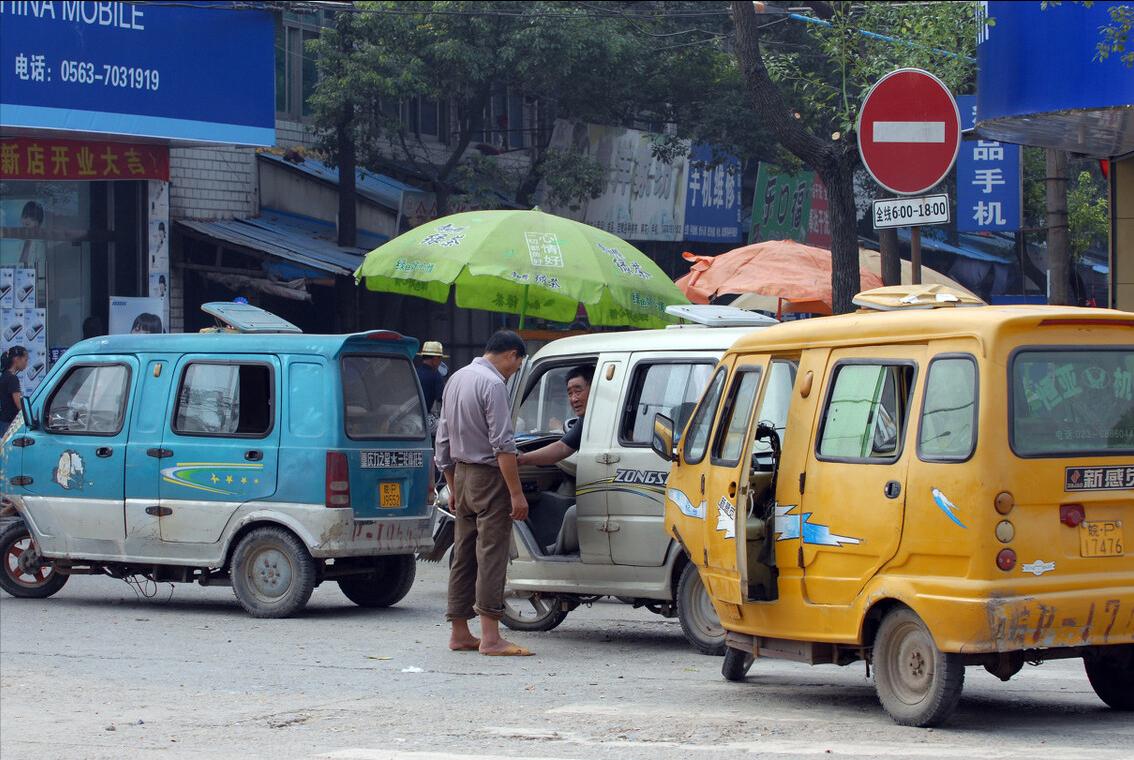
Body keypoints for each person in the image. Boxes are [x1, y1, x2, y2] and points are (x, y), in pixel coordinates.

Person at [435, 330, 532, 657]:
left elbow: (443, 441)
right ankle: (491, 637)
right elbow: (503, 446)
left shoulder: (458, 378)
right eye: (516, 366)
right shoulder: (492, 385)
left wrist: (451, 483)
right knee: (491, 553)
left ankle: (460, 632)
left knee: (463, 554)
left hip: (460, 476)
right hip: (489, 477)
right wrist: (516, 494)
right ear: (511, 355)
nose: (513, 372)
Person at [517, 366, 593, 555]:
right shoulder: (587, 420)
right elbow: (561, 448)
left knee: (573, 515)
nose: (574, 399)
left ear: (595, 387)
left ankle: (555, 554)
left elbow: (560, 450)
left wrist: (523, 458)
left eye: (578, 390)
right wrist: (523, 458)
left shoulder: (602, 417)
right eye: (570, 393)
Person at [416, 340, 448, 419]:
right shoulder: (436, 376)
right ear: (435, 359)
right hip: (423, 419)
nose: (440, 362)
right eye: (440, 359)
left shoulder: (414, 372)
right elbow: (442, 400)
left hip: (409, 416)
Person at [1, 346, 28, 430]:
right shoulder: (12, 378)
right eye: (25, 360)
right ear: (16, 359)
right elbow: (19, 405)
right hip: (10, 425)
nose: (26, 364)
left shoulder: (4, 376)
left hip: (3, 422)